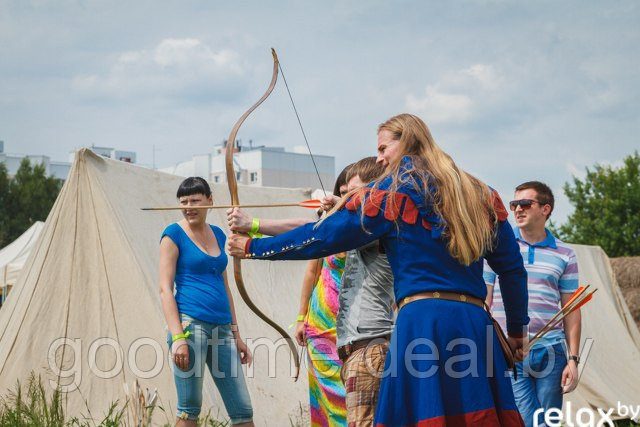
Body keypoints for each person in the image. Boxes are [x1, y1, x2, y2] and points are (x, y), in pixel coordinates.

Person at [227, 113, 529, 426]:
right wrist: (518, 329)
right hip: (474, 324)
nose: (380, 158)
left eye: (384, 149)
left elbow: (322, 237)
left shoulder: (392, 192)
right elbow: (512, 269)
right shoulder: (479, 192)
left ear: (408, 141)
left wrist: (252, 247)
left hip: (422, 324)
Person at [229, 167, 352, 427]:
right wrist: (301, 317)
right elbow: (311, 267)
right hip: (321, 323)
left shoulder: (362, 228)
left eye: (351, 191)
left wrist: (253, 235)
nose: (347, 197)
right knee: (323, 401)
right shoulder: (330, 225)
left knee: (349, 403)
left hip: (354, 327)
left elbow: (307, 231)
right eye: (342, 192)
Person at [484, 181, 581, 427]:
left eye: (525, 204)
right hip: (511, 351)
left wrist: (573, 359)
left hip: (552, 351)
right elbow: (485, 300)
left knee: (548, 423)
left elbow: (571, 310)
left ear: (545, 209)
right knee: (524, 421)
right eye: (514, 204)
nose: (517, 209)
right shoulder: (498, 247)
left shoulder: (565, 254)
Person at [158, 177, 254, 426]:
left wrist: (236, 334)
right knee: (189, 409)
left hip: (222, 330)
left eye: (195, 201)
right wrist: (178, 338)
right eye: (184, 202)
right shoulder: (173, 235)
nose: (188, 206)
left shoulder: (219, 233)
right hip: (191, 328)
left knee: (243, 410)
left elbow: (225, 286)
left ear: (210, 201)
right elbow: (165, 290)